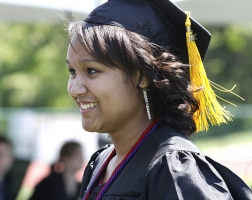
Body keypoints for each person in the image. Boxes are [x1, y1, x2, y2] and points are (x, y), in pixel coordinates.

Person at [65, 0, 252, 199]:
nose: (75, 88)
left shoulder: (174, 169)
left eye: (92, 71)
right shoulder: (100, 164)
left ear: (143, 76)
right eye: (72, 72)